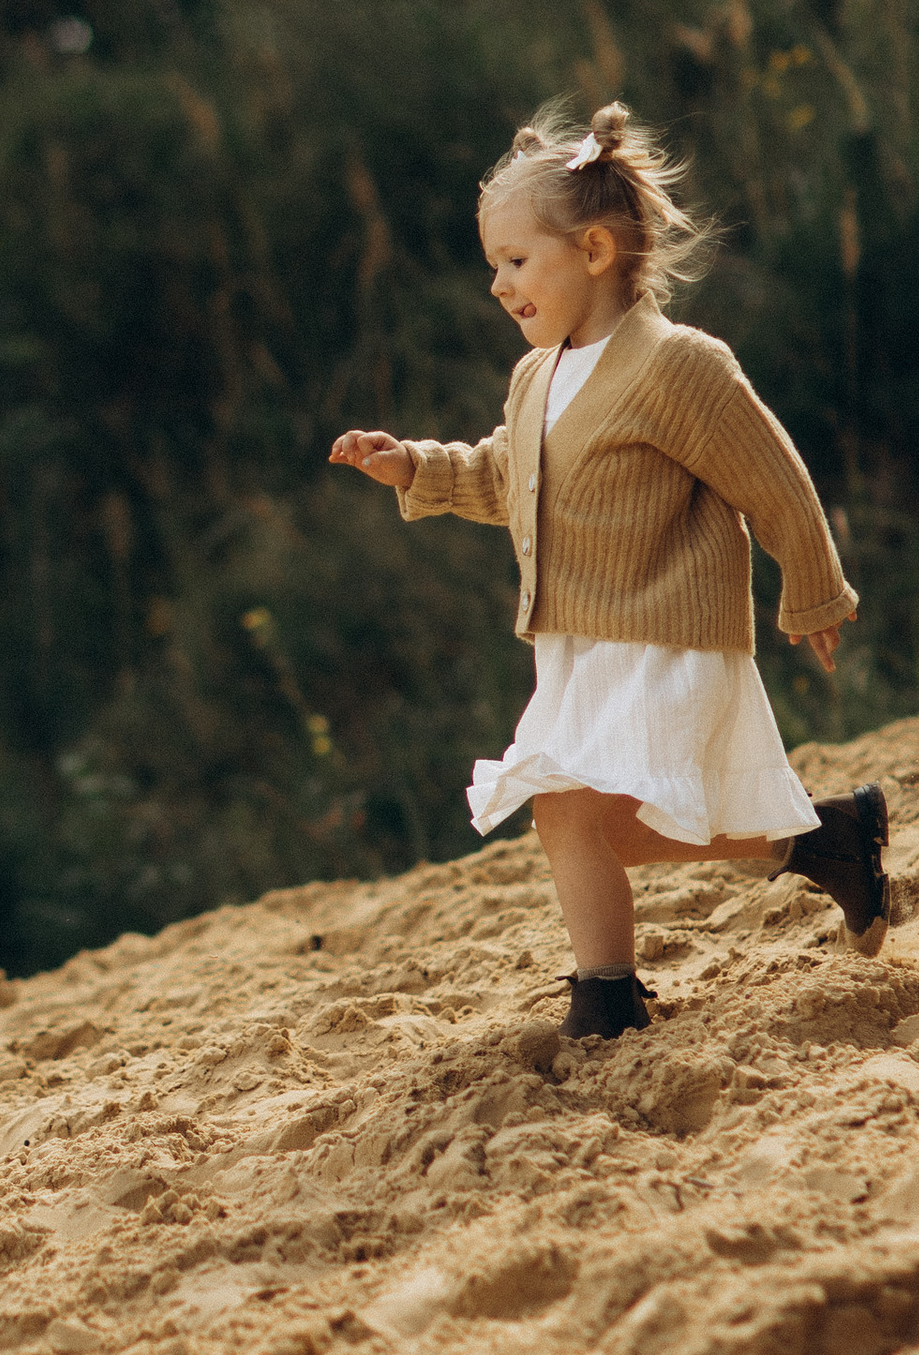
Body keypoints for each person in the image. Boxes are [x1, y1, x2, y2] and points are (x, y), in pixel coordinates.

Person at [330, 98, 890, 1040]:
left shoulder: (677, 366)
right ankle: (829, 842)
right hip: (579, 641)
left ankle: (605, 996)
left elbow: (774, 478)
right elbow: (512, 474)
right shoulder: (538, 375)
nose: (500, 286)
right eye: (492, 267)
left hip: (664, 629)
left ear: (592, 253)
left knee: (563, 809)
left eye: (516, 262)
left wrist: (812, 590)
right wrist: (419, 467)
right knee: (599, 825)